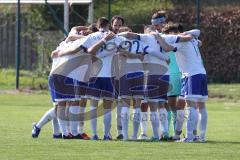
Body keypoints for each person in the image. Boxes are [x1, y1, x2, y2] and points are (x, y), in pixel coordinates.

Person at [164, 23, 208, 142]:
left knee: (192, 106)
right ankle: (180, 134)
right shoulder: (192, 40)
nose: (170, 38)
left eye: (171, 36)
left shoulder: (180, 41)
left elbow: (167, 48)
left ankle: (190, 137)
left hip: (192, 75)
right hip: (196, 74)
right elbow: (198, 37)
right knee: (187, 106)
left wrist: (157, 37)